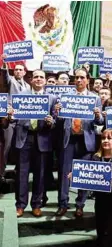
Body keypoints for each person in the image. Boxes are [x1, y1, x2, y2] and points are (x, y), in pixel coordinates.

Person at [54, 68, 103, 217]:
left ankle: (80, 205)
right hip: (69, 139)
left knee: (84, 173)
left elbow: (100, 121)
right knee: (64, 173)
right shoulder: (65, 97)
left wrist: (97, 114)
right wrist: (57, 112)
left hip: (86, 141)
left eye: (82, 78)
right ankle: (63, 204)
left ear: (88, 80)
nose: (79, 80)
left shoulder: (95, 98)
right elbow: (59, 120)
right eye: (77, 78)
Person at [9, 69, 56, 217]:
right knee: (22, 174)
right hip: (25, 138)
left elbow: (55, 120)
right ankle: (20, 205)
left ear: (45, 80)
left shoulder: (52, 98)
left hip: (42, 139)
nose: (38, 79)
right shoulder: (21, 96)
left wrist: (51, 122)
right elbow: (14, 119)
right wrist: (10, 116)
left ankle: (36, 204)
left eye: (41, 77)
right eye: (36, 77)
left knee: (40, 174)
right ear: (31, 79)